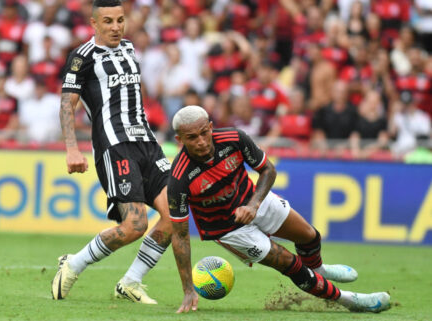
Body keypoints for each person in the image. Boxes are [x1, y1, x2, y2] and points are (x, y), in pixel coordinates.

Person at [167, 105, 391, 314]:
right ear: (179, 140)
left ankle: (319, 271)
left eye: (204, 133)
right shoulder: (179, 178)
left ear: (211, 127)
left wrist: (253, 204)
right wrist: (188, 289)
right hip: (228, 229)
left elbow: (268, 170)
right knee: (289, 263)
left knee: (310, 236)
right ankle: (350, 300)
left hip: (255, 201)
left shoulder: (234, 139)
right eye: (192, 138)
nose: (201, 142)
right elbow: (180, 235)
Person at [52, 0, 173, 304]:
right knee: (135, 225)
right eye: (108, 21)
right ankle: (74, 264)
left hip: (147, 143)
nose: (116, 27)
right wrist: (71, 149)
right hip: (115, 146)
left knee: (176, 215)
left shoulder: (130, 48)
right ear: (94, 24)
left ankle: (131, 282)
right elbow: (68, 103)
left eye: (120, 20)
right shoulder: (81, 57)